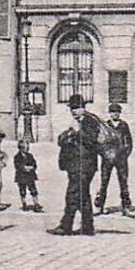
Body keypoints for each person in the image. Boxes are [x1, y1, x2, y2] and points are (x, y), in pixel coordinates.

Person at [49, 95, 102, 236]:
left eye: (76, 108)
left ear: (83, 108)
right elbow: (62, 140)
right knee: (82, 196)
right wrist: (68, 134)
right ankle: (87, 227)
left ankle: (65, 226)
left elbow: (91, 141)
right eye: (72, 108)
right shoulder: (76, 122)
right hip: (75, 165)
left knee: (72, 194)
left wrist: (78, 131)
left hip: (85, 165)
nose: (73, 111)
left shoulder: (90, 121)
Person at [94, 102, 135, 215]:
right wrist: (104, 154)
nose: (114, 114)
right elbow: (99, 142)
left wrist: (124, 154)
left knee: (123, 182)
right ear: (109, 113)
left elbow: (129, 142)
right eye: (112, 112)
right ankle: (99, 206)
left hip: (121, 158)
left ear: (120, 113)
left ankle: (126, 207)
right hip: (107, 159)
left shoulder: (124, 125)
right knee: (104, 182)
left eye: (116, 112)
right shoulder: (105, 125)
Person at [13, 139, 41, 212]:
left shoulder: (30, 155)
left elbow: (34, 164)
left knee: (33, 190)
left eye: (27, 148)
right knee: (22, 191)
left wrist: (32, 167)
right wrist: (24, 168)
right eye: (25, 148)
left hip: (30, 176)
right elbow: (17, 165)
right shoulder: (17, 156)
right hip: (21, 176)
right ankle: (24, 203)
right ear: (20, 148)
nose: (27, 149)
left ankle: (36, 203)